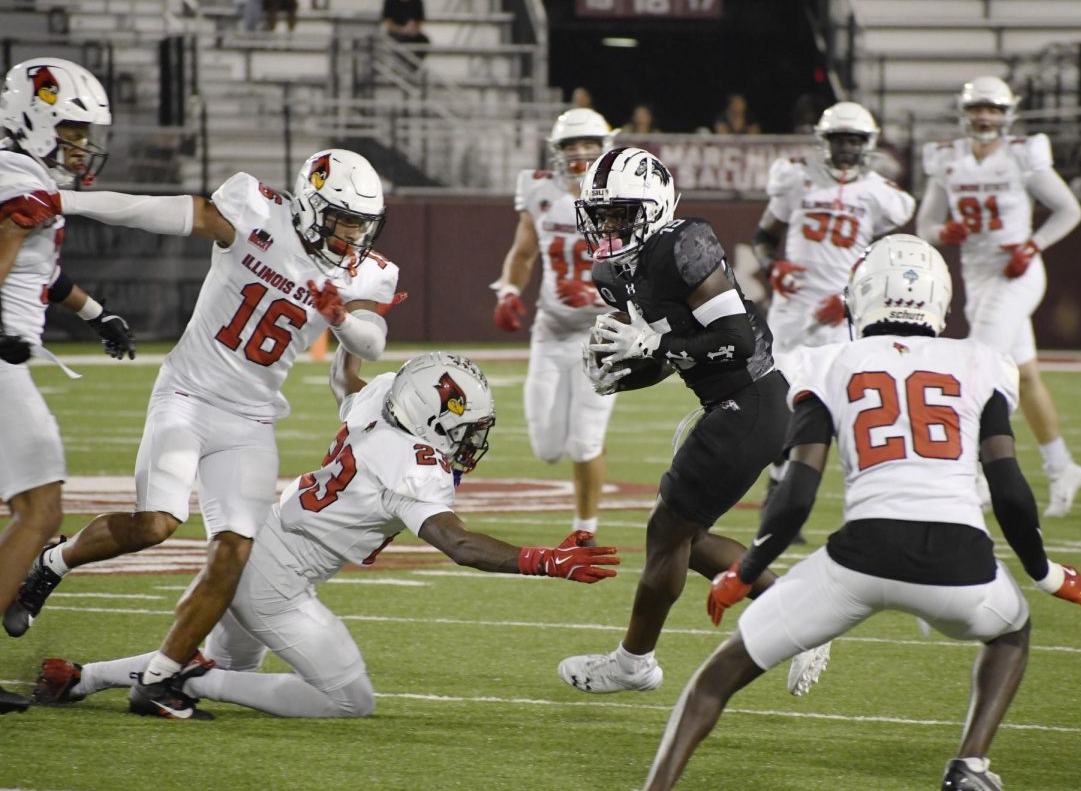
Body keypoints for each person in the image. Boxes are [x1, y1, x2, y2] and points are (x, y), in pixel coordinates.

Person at [639, 234, 1081, 791]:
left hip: (858, 561)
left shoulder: (828, 360)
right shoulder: (983, 361)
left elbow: (796, 494)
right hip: (961, 565)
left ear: (861, 297)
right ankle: (970, 764)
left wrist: (747, 572)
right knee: (1012, 632)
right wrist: (1048, 575)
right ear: (940, 300)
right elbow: (1009, 490)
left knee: (714, 680)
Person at [4, 148, 402, 720]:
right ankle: (52, 564)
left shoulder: (366, 272)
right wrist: (65, 200)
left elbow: (372, 342)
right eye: (344, 222)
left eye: (362, 225)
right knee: (155, 525)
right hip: (188, 396)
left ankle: (159, 681)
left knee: (235, 552)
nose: (353, 237)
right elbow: (156, 209)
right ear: (313, 207)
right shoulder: (256, 211)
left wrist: (338, 317)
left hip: (252, 418)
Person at [31, 349, 619, 719]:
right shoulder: (412, 463)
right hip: (274, 581)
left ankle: (82, 679)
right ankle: (193, 683)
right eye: (464, 429)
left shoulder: (384, 398)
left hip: (260, 538)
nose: (469, 443)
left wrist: (348, 333)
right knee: (349, 699)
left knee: (215, 664)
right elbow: (458, 544)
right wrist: (544, 560)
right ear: (431, 420)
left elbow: (345, 380)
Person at [556, 146, 794, 694]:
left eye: (621, 213)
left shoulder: (685, 244)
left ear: (655, 206)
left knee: (668, 531)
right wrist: (620, 373)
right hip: (731, 405)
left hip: (752, 398)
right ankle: (792, 609)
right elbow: (669, 360)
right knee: (684, 535)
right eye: (602, 215)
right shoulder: (612, 272)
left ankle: (632, 663)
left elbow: (734, 341)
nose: (609, 226)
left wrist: (655, 341)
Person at [0, 57, 137, 715]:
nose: (83, 146)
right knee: (41, 513)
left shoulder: (22, 175)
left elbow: (40, 271)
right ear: (36, 116)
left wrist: (94, 312)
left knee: (33, 510)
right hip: (1, 360)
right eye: (73, 129)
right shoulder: (19, 178)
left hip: (11, 358)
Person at [916, 76, 1081, 517]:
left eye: (992, 109)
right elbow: (926, 225)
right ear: (965, 112)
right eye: (977, 109)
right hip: (977, 276)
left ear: (1007, 113)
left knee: (978, 369)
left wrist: (1033, 245)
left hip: (1018, 274)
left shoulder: (1021, 155)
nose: (984, 117)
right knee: (1025, 377)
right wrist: (942, 232)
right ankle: (1062, 466)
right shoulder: (948, 158)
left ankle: (975, 476)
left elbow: (1070, 209)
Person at [752, 101, 914, 540]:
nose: (845, 148)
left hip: (842, 314)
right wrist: (774, 268)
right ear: (825, 142)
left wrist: (847, 299)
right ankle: (777, 499)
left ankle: (859, 509)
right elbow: (764, 237)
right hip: (791, 309)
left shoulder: (884, 195)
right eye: (839, 139)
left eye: (853, 140)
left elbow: (886, 260)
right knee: (782, 404)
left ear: (868, 145)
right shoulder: (796, 177)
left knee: (843, 411)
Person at [491, 108, 618, 543]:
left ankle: (585, 529)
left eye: (588, 144)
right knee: (547, 449)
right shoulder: (540, 188)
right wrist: (508, 290)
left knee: (584, 441)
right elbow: (523, 253)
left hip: (605, 333)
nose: (580, 152)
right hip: (551, 329)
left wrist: (601, 295)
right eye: (570, 145)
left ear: (606, 147)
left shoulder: (623, 192)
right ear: (557, 151)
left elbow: (639, 272)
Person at [382, 0, 430, 66]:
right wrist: (402, 29)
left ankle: (414, 66)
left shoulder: (417, 1)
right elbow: (389, 24)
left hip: (412, 33)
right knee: (400, 40)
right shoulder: (390, 0)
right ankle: (400, 66)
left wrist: (413, 30)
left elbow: (419, 24)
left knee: (424, 40)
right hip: (395, 33)